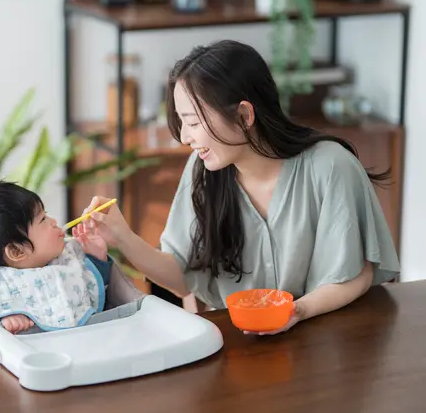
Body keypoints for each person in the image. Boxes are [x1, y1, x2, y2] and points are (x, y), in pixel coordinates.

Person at [76, 40, 400, 335]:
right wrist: (123, 238)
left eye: (193, 122)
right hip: (233, 343)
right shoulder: (203, 169)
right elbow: (181, 277)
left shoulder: (330, 166)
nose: (186, 138)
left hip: (324, 338)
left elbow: (355, 275)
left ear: (244, 115)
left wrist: (296, 312)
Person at [0, 181, 112, 334]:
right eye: (43, 219)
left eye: (47, 214)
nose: (53, 221)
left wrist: (97, 258)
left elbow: (94, 295)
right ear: (17, 252)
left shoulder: (68, 255)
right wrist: (3, 318)